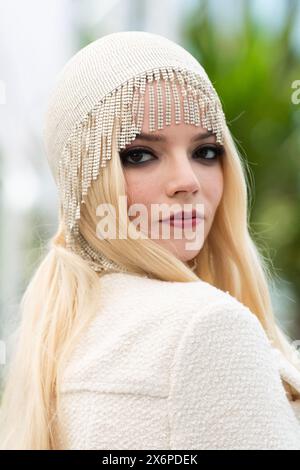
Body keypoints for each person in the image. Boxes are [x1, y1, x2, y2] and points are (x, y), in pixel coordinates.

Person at [0, 30, 300, 450]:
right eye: (139, 154)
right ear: (83, 183)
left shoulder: (60, 329)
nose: (187, 181)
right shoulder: (207, 326)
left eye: (206, 151)